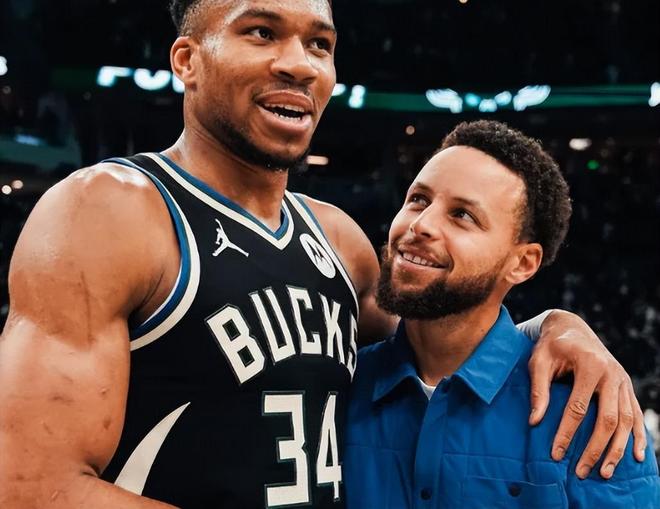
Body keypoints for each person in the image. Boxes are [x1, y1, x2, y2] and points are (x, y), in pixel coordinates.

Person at [0, 1, 647, 508]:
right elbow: (29, 487)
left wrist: (554, 325)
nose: (300, 64)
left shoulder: (339, 241)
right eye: (261, 32)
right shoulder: (106, 210)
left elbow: (448, 334)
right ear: (187, 60)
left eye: (320, 44)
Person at [344, 120, 660, 508]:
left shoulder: (591, 414)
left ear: (522, 263)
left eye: (462, 215)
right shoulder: (340, 384)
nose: (421, 225)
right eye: (419, 200)